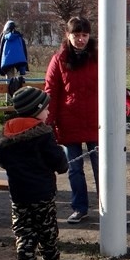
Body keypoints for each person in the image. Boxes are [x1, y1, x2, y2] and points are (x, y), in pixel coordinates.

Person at [0, 86, 68, 260]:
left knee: (23, 229)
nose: (49, 112)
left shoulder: (6, 133)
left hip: (18, 193)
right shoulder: (43, 134)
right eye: (46, 108)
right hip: (42, 193)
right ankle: (51, 258)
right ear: (36, 109)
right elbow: (57, 160)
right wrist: (63, 162)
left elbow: (3, 162)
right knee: (46, 227)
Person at [44, 17, 99, 224]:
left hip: (96, 121)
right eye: (76, 35)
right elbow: (51, 90)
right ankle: (79, 207)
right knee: (75, 169)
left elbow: (112, 82)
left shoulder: (98, 56)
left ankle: (110, 208)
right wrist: (48, 121)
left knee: (102, 167)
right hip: (69, 122)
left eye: (84, 35)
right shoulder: (58, 59)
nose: (81, 39)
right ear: (68, 35)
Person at [0, 20, 29, 96]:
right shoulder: (19, 37)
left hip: (6, 62)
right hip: (20, 61)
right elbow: (24, 51)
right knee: (17, 80)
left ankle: (9, 98)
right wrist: (24, 67)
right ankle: (16, 96)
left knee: (9, 79)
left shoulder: (2, 37)